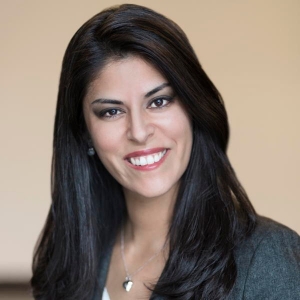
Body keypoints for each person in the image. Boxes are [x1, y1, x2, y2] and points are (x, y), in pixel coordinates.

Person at [31, 4, 300, 300]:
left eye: (158, 102)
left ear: (194, 108)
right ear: (84, 132)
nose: (139, 131)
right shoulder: (68, 258)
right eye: (111, 111)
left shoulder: (266, 257)